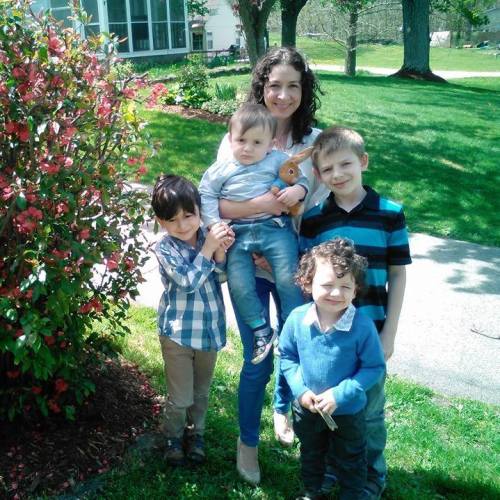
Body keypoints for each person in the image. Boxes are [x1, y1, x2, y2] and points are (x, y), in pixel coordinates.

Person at [216, 47, 329, 484]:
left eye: (293, 86)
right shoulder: (240, 134)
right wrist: (262, 212)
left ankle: (283, 409)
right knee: (258, 357)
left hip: (292, 263)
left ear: (305, 89)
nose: (283, 95)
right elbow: (220, 203)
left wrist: (286, 233)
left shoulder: (314, 144)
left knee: (295, 347)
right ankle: (247, 444)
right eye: (275, 85)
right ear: (261, 86)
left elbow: (318, 211)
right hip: (247, 263)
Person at [300, 126, 412, 498]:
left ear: (363, 161)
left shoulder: (390, 214)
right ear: (318, 175)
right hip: (330, 338)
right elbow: (307, 278)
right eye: (327, 168)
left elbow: (398, 274)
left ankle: (371, 475)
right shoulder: (315, 219)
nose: (337, 174)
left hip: (372, 333)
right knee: (331, 406)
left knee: (369, 411)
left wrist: (389, 333)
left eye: (345, 164)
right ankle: (333, 469)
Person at [199, 103, 308, 366]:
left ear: (271, 144)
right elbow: (206, 193)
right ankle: (261, 329)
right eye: (241, 140)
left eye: (257, 142)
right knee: (239, 284)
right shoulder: (222, 167)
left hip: (275, 229)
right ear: (230, 140)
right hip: (238, 234)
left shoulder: (278, 160)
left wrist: (298, 191)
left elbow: (300, 178)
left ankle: (292, 329)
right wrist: (214, 224)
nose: (247, 148)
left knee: (288, 278)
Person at [280, 238, 386, 500]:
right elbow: (287, 357)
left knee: (351, 457)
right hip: (308, 408)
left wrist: (340, 394)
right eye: (327, 285)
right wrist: (300, 391)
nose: (336, 293)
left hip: (347, 410)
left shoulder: (363, 326)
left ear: (355, 290)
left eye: (345, 286)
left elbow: (374, 367)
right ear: (308, 283)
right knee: (311, 453)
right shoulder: (297, 319)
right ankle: (312, 491)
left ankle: (351, 494)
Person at [151, 174, 234, 466]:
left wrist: (220, 252)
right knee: (181, 396)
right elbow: (187, 282)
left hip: (208, 330)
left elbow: (220, 278)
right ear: (161, 222)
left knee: (201, 392)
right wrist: (209, 248)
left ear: (200, 211)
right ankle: (173, 437)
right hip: (178, 334)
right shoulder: (164, 248)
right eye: (172, 220)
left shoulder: (205, 238)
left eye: (189, 216)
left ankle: (196, 433)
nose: (183, 225)